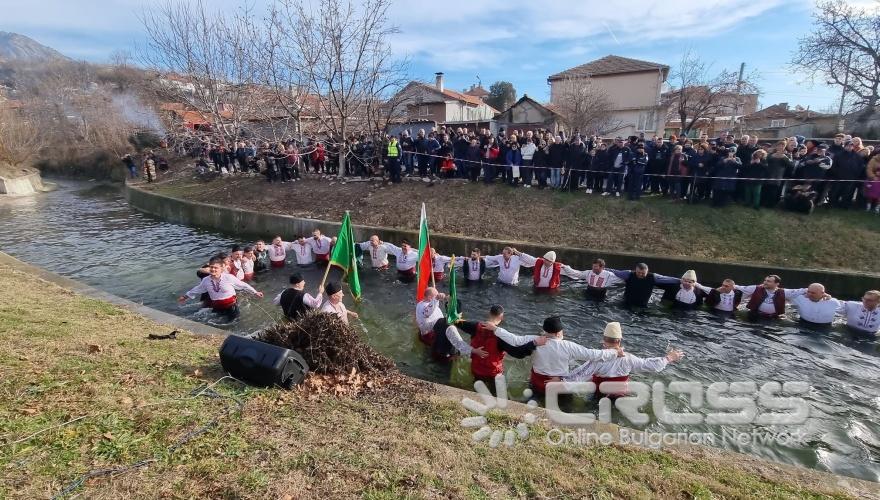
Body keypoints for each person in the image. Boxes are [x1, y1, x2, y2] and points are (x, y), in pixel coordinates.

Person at [487, 316, 623, 395]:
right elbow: (594, 355)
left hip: (538, 383)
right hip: (559, 385)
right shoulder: (568, 346)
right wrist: (614, 352)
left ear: (544, 330)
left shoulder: (535, 340)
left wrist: (496, 329)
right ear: (559, 333)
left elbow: (514, 339)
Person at [563, 322, 684, 399]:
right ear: (619, 341)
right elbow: (651, 366)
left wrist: (560, 380)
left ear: (604, 340)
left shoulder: (598, 359)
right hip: (620, 396)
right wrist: (670, 357)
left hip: (600, 395)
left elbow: (579, 375)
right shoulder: (629, 358)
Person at [443, 305, 544, 393]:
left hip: (477, 369)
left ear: (489, 313)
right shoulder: (501, 336)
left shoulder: (475, 326)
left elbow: (455, 321)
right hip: (493, 372)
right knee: (497, 394)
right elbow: (517, 353)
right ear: (502, 317)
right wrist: (533, 344)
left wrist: (451, 304)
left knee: (478, 390)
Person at [178, 258, 263, 320]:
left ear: (221, 268)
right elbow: (197, 289)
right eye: (211, 267)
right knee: (215, 322)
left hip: (231, 306)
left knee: (234, 322)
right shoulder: (206, 280)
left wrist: (255, 292)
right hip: (217, 306)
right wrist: (185, 297)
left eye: (216, 267)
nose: (213, 269)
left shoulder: (228, 277)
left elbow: (243, 285)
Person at [735, 275, 806, 320]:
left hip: (774, 318)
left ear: (777, 284)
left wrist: (811, 290)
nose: (765, 282)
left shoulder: (784, 292)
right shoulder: (755, 288)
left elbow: (800, 291)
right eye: (765, 280)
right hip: (755, 315)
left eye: (768, 281)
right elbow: (739, 287)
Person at [611, 263, 681, 308]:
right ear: (635, 270)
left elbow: (667, 279)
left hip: (643, 304)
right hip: (627, 301)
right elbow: (615, 272)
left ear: (647, 271)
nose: (641, 275)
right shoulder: (628, 274)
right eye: (638, 272)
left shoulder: (653, 277)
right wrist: (602, 269)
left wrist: (681, 280)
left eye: (643, 273)